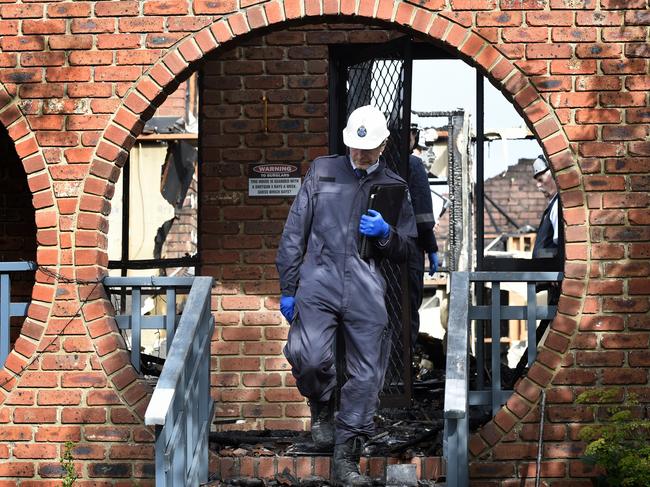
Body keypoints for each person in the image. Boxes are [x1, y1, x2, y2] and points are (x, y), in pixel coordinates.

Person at [276, 105, 417, 486]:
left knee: (367, 372)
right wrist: (289, 288)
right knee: (307, 356)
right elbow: (294, 232)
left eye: (367, 149)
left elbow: (407, 249)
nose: (359, 155)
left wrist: (386, 233)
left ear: (383, 145)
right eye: (355, 148)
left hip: (365, 285)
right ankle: (321, 405)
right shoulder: (323, 171)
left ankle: (345, 458)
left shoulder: (394, 187)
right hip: (317, 280)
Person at [407, 124, 439, 354]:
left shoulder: (376, 164)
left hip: (375, 254)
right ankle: (403, 373)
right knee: (408, 312)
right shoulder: (412, 164)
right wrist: (432, 248)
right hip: (409, 252)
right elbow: (423, 217)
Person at [531, 154, 562, 261]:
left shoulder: (558, 205)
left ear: (553, 175)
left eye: (540, 179)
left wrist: (540, 255)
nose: (538, 185)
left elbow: (562, 247)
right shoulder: (553, 205)